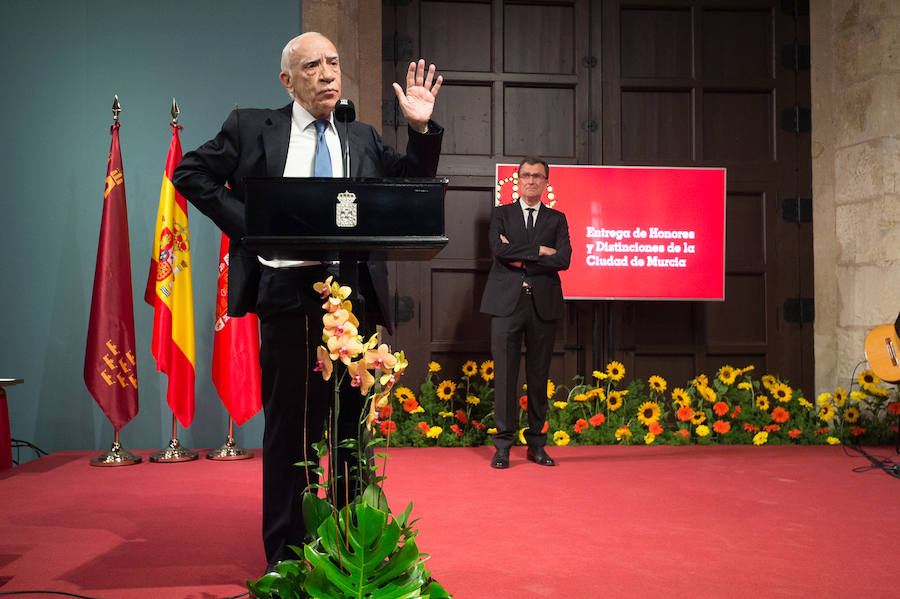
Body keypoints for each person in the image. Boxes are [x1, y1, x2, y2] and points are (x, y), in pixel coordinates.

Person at [173, 32, 443, 570]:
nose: (327, 73)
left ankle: (350, 550)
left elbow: (412, 188)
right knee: (289, 432)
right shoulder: (253, 127)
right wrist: (254, 228)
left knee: (348, 431)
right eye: (313, 65)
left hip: (351, 297)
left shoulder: (359, 135)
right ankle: (289, 556)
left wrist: (419, 129)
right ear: (288, 80)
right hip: (287, 295)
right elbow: (190, 173)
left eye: (334, 63)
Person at [479, 157, 571, 469]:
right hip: (506, 305)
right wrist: (540, 251)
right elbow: (498, 250)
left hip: (542, 306)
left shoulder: (557, 219)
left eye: (538, 176)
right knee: (504, 376)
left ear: (546, 183)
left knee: (538, 376)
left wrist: (519, 252)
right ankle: (503, 447)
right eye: (526, 175)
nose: (531, 181)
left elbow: (564, 260)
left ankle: (537, 446)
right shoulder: (501, 214)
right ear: (517, 181)